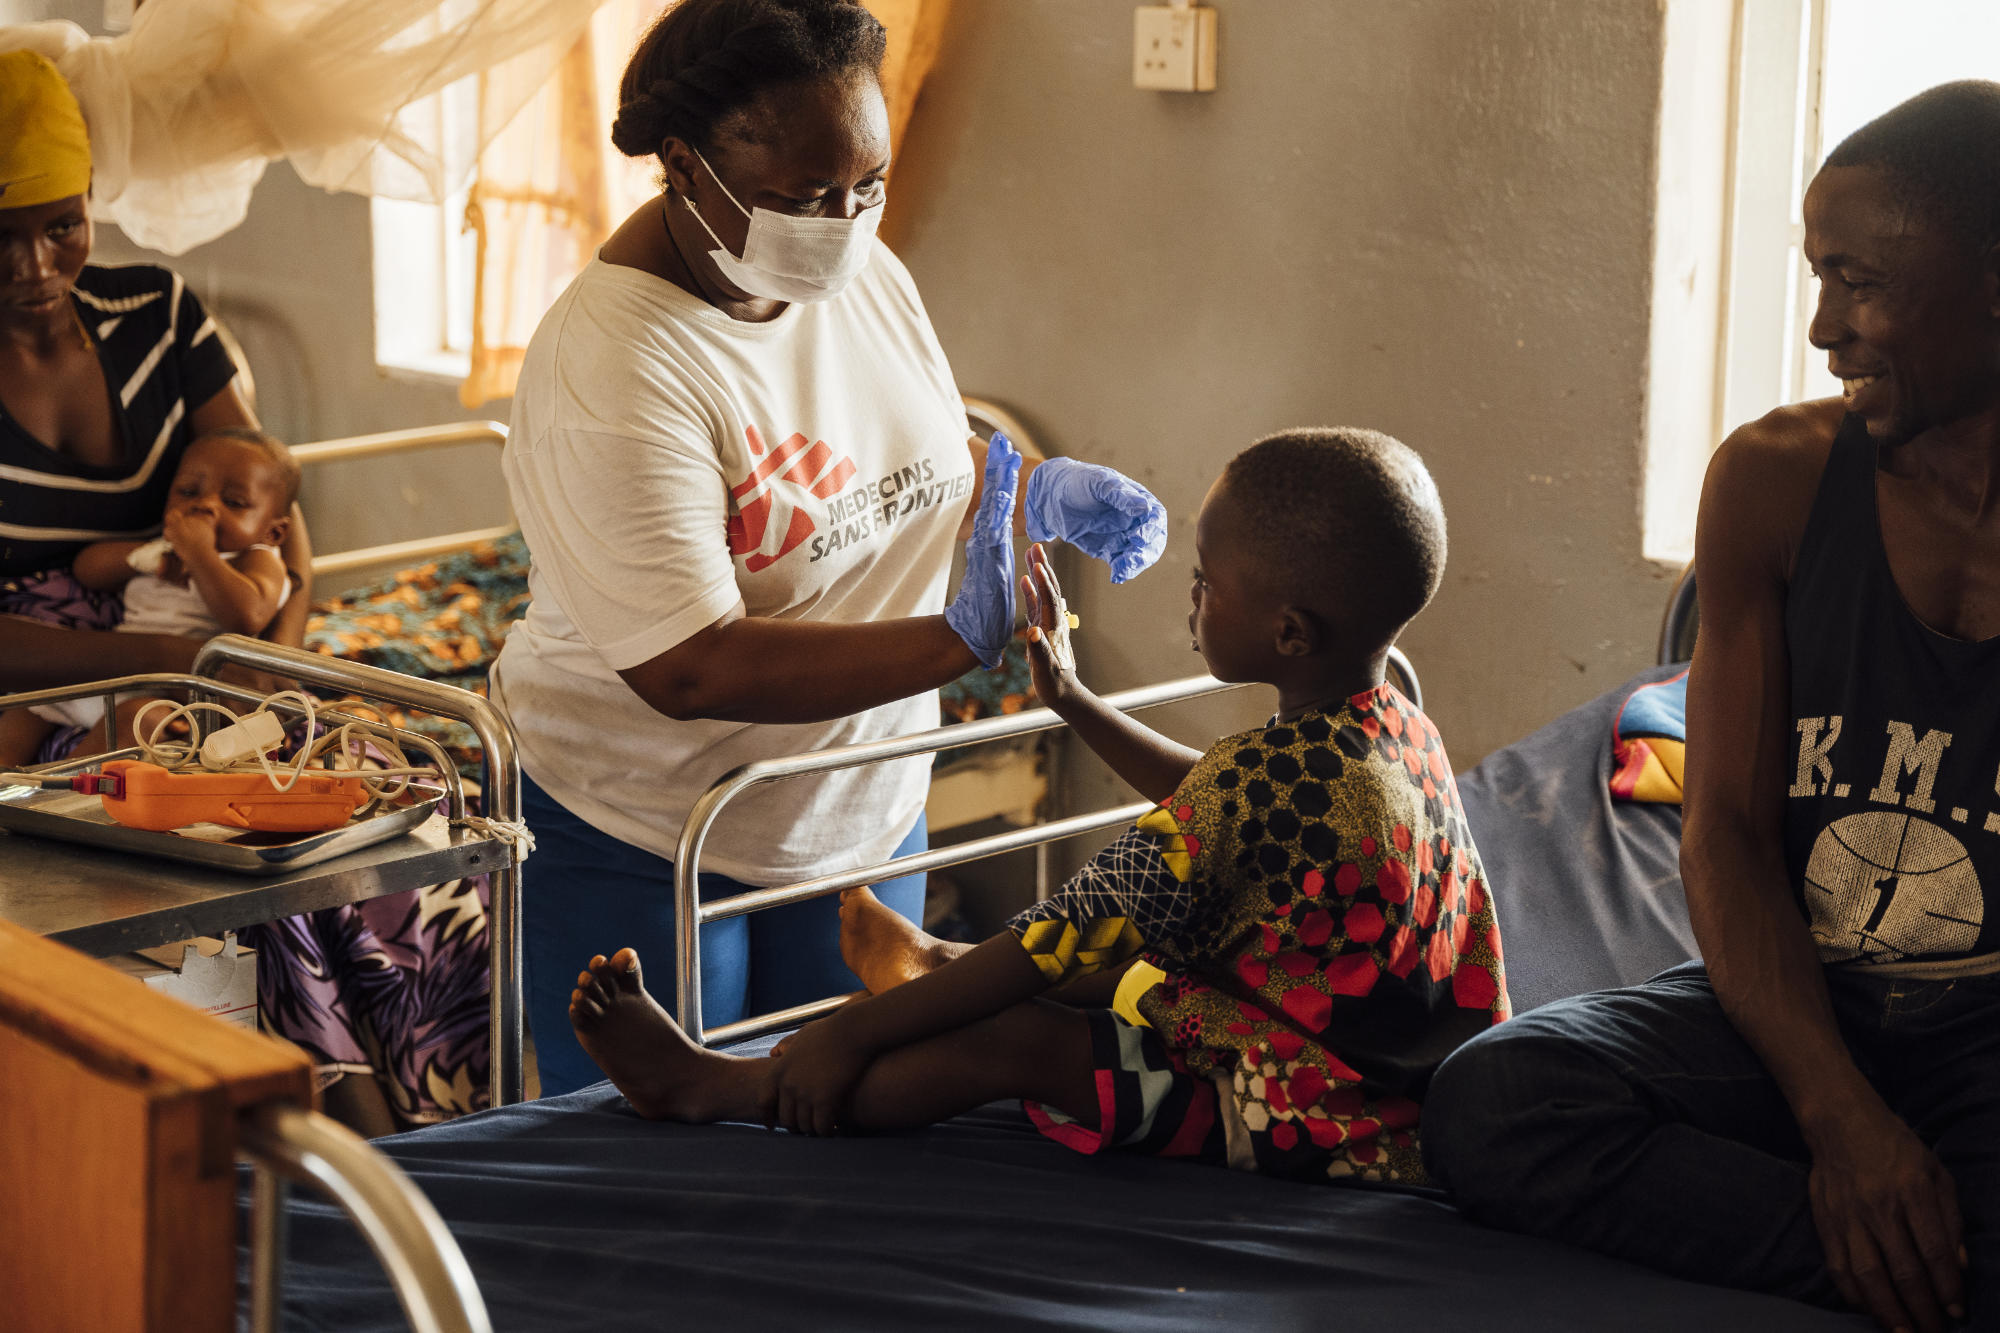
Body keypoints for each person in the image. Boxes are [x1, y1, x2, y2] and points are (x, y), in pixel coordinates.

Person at [496, 0, 1168, 1097]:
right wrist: (956, 641)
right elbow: (690, 666)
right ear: (682, 163)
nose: (847, 220)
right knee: (658, 1169)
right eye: (806, 196)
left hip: (860, 801)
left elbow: (905, 456)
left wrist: (1025, 488)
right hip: (647, 824)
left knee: (847, 1118)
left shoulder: (859, 273)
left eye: (870, 187)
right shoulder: (614, 369)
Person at [1422, 82, 2000, 1333]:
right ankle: (1919, 1248)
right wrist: (1843, 1126)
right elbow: (1724, 831)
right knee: (1496, 1101)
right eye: (1815, 277)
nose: (1820, 329)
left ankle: (1913, 1236)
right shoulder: (1773, 485)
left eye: (1858, 282)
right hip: (1805, 1000)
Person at [564, 429, 1510, 1184]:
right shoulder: (1392, 729)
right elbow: (1227, 810)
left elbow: (1057, 936)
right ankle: (931, 958)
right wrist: (1071, 700)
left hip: (1303, 1114)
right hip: (1379, 1073)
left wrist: (845, 1032)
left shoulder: (1256, 787)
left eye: (1206, 581)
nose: (1191, 595)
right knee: (1140, 958)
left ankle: (717, 1084)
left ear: (1289, 630)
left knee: (1017, 1034)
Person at [0, 49, 314, 705]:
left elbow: (275, 506)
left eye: (63, 226)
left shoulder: (158, 317)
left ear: (90, 195)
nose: (34, 266)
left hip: (197, 673)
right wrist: (181, 660)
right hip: (27, 696)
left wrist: (274, 668)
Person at [0, 428, 298, 764]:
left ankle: (59, 792)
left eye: (233, 502)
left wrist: (202, 555)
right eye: (188, 492)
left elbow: (249, 614)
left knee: (138, 720)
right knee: (28, 708)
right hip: (122, 667)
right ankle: (8, 793)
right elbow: (89, 570)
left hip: (185, 694)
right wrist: (141, 557)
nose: (205, 505)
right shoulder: (164, 550)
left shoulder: (256, 558)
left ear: (274, 532)